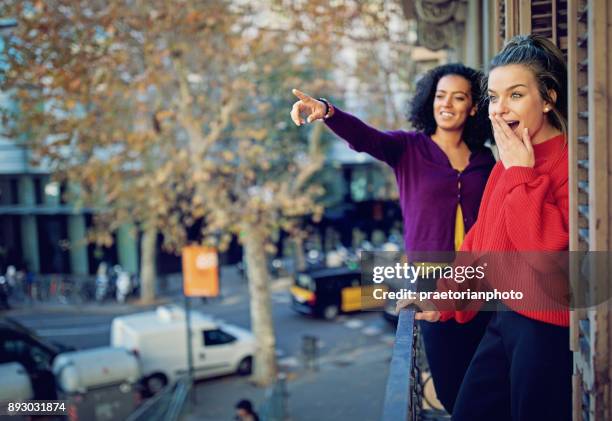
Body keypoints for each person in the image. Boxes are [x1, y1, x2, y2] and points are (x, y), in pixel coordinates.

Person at [290, 63, 495, 413]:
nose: (446, 104)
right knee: (449, 388)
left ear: (473, 106)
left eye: (458, 97)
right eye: (440, 96)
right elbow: (366, 137)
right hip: (434, 283)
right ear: (429, 102)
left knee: (485, 384)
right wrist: (326, 111)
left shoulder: (485, 159)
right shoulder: (408, 148)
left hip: (484, 279)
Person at [398, 35, 571, 420]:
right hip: (505, 318)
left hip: (547, 332)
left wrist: (523, 174)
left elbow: (544, 255)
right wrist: (441, 298)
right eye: (493, 97)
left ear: (548, 98)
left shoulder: (568, 162)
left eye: (515, 94)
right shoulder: (505, 161)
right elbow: (482, 242)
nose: (499, 108)